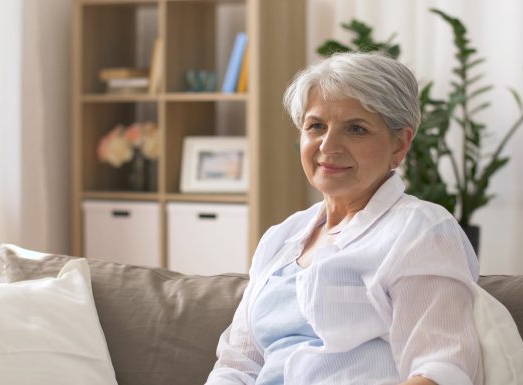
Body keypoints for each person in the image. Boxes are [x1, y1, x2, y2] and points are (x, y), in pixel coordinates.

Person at [204, 52, 482, 385]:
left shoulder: (420, 229)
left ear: (400, 144)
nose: (328, 146)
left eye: (356, 129)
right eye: (316, 126)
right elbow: (237, 365)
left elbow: (442, 368)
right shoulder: (280, 238)